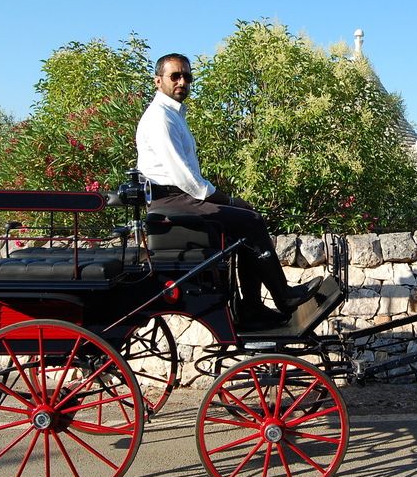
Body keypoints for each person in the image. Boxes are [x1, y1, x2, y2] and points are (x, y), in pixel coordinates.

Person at [136, 53, 321, 329]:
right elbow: (186, 179)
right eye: (175, 76)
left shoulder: (172, 115)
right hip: (171, 200)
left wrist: (231, 203)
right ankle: (282, 296)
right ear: (158, 81)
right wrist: (229, 200)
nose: (182, 82)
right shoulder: (160, 118)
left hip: (177, 197)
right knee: (250, 220)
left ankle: (253, 308)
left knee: (245, 222)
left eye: (187, 76)